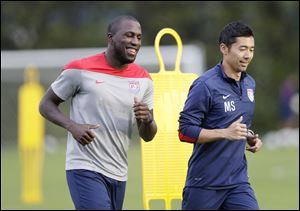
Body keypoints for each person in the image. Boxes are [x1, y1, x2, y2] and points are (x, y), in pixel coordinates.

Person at [39, 15, 157, 210]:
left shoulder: (144, 80)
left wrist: (148, 119)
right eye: (129, 35)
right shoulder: (79, 69)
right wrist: (72, 126)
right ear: (110, 38)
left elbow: (148, 135)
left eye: (138, 37)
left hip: (119, 171)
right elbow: (45, 104)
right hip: (85, 166)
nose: (135, 42)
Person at [178, 21, 263, 210]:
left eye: (251, 49)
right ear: (224, 48)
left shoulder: (249, 84)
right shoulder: (205, 85)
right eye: (242, 49)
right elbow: (184, 131)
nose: (248, 55)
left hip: (238, 183)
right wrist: (225, 133)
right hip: (204, 184)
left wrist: (249, 136)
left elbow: (233, 123)